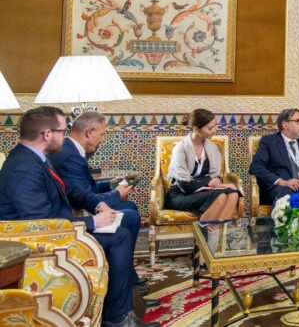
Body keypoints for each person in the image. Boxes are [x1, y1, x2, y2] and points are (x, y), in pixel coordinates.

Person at [0, 107, 156, 327]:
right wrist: (92, 222)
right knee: (119, 237)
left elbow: (70, 190)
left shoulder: (36, 158)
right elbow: (40, 224)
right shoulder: (23, 168)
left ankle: (120, 309)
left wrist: (98, 204)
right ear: (47, 134)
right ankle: (117, 318)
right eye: (63, 132)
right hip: (42, 243)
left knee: (120, 228)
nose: (66, 137)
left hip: (59, 230)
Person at [50, 111, 144, 276]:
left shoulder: (71, 150)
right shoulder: (71, 156)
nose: (102, 140)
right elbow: (80, 198)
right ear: (89, 132)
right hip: (75, 214)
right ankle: (124, 276)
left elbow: (83, 188)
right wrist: (116, 194)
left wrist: (110, 185)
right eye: (101, 135)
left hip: (80, 207)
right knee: (131, 216)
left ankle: (128, 274)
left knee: (129, 206)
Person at [165, 109, 241, 221]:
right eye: (210, 128)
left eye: (215, 126)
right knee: (220, 196)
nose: (214, 131)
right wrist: (221, 185)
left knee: (234, 194)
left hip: (204, 191)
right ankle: (204, 231)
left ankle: (218, 231)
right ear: (196, 129)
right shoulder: (180, 149)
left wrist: (216, 182)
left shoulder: (213, 148)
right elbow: (185, 184)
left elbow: (214, 177)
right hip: (180, 194)